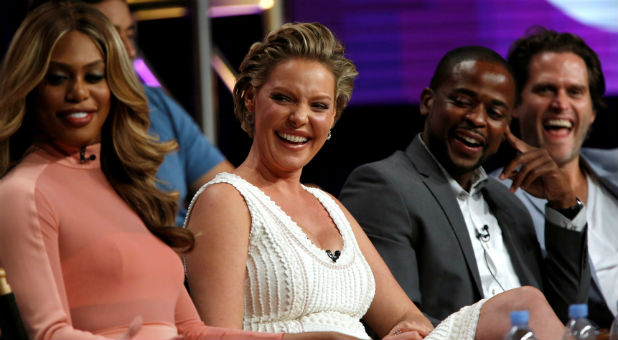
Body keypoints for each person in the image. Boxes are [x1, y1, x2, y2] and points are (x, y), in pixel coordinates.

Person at [184, 23, 567, 340]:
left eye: (318, 106)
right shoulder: (226, 200)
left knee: (526, 303)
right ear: (251, 99)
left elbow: (407, 318)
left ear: (333, 116)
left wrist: (409, 333)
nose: (300, 118)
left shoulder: (328, 205)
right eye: (284, 98)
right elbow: (215, 335)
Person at [0, 3, 348, 339]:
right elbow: (48, 334)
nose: (78, 92)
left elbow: (192, 332)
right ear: (31, 86)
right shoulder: (21, 193)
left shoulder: (131, 182)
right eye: (58, 78)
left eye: (94, 76)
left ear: (115, 85)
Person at [339, 46, 591, 326]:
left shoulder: (508, 203)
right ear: (427, 102)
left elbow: (570, 317)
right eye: (462, 101)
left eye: (495, 113)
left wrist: (564, 204)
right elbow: (401, 325)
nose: (477, 119)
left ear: (507, 127)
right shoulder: (383, 186)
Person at [31, 0, 235, 226]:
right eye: (111, 35)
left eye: (129, 34)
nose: (128, 50)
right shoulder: (61, 135)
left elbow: (229, 187)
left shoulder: (155, 102)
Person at [493, 27, 617, 328]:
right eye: (545, 89)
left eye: (575, 91)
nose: (560, 103)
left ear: (592, 112)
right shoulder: (494, 199)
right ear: (516, 107)